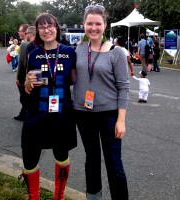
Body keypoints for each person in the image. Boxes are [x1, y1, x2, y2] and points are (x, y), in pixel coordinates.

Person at [72, 5, 129, 200]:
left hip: (109, 115)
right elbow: (69, 77)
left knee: (114, 163)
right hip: (82, 113)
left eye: (98, 23)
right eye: (90, 23)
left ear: (105, 25)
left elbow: (124, 87)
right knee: (92, 159)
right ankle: (94, 197)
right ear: (84, 25)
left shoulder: (117, 53)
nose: (93, 27)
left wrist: (121, 120)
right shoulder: (78, 49)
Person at [20, 13, 77, 200]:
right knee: (29, 158)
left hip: (61, 115)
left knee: (61, 155)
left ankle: (59, 196)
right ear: (37, 31)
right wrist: (28, 83)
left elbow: (77, 81)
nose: (46, 30)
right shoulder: (33, 53)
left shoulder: (69, 52)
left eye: (50, 25)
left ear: (57, 27)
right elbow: (27, 87)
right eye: (42, 27)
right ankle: (33, 196)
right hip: (36, 113)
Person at [14, 26, 36, 121]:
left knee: (24, 97)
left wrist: (18, 78)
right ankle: (23, 113)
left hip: (25, 76)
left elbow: (22, 63)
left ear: (26, 32)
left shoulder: (25, 44)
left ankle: (25, 114)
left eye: (20, 31)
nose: (18, 33)